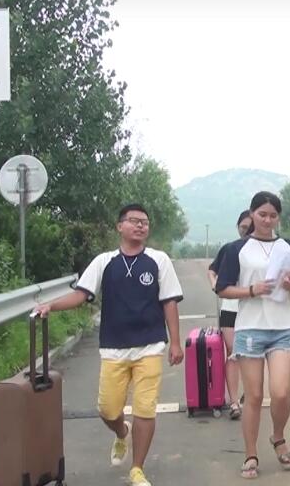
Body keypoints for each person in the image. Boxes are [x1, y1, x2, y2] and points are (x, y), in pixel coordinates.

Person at [33, 203, 184, 486]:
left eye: (144, 222)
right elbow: (81, 295)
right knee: (108, 409)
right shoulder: (104, 261)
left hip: (150, 346)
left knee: (145, 409)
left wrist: (175, 342)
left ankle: (137, 469)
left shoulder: (159, 260)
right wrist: (50, 306)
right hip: (113, 347)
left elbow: (170, 302)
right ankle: (121, 433)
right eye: (134, 221)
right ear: (120, 226)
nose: (140, 226)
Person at [215, 191, 290, 479]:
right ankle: (251, 454)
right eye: (262, 214)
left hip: (283, 327)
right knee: (253, 396)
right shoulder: (237, 249)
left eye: (273, 215)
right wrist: (252, 290)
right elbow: (222, 288)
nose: (267, 220)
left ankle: (277, 436)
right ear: (252, 214)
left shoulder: (289, 247)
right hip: (250, 327)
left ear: (279, 217)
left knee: (281, 392)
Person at [206, 210, 253, 420]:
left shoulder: (262, 250)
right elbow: (212, 270)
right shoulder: (230, 249)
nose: (246, 231)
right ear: (237, 227)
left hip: (254, 310)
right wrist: (215, 285)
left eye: (250, 227)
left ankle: (250, 395)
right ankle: (234, 401)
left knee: (251, 355)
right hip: (231, 308)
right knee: (233, 352)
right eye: (243, 227)